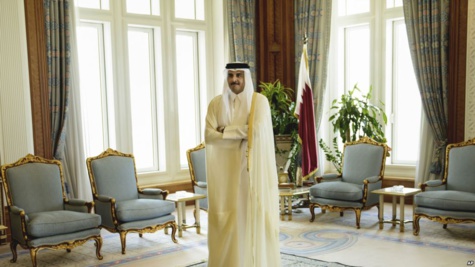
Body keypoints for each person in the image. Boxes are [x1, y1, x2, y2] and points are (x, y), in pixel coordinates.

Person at [204, 62, 281, 267]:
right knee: (226, 221)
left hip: (250, 174)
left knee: (248, 218)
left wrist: (225, 131)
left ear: (246, 77)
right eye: (230, 75)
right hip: (223, 174)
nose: (234, 79)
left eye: (239, 75)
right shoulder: (216, 104)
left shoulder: (259, 102)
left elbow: (254, 132)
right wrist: (240, 133)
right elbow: (209, 137)